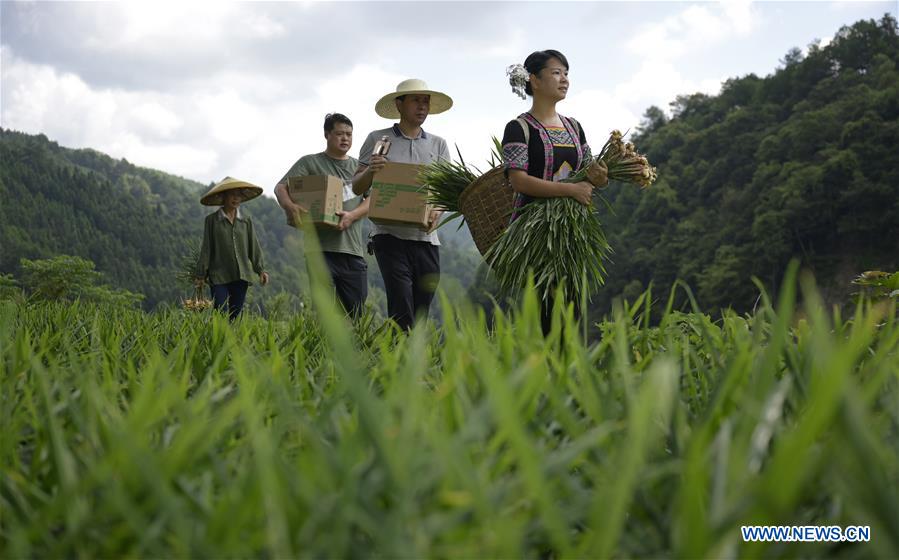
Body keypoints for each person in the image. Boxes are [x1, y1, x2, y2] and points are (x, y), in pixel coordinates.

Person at [501, 50, 609, 333]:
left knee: (571, 313)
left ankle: (568, 373)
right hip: (534, 235)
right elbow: (518, 181)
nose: (565, 80)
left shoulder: (574, 127)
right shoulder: (519, 128)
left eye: (566, 73)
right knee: (543, 313)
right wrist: (570, 190)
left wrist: (600, 177)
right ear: (534, 80)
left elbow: (589, 174)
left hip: (573, 234)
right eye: (556, 72)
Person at [351, 79, 453, 331]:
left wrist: (437, 211)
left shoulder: (438, 144)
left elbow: (445, 191)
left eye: (426, 101)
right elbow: (357, 187)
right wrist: (371, 171)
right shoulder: (378, 139)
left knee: (421, 310)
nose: (422, 107)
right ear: (399, 104)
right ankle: (397, 362)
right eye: (416, 101)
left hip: (427, 239)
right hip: (389, 236)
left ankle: (411, 362)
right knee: (402, 308)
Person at [274, 113, 370, 317]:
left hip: (352, 251)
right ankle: (323, 349)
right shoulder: (310, 163)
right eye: (339, 133)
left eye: (349, 134)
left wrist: (352, 215)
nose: (345, 138)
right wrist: (289, 206)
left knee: (357, 313)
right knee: (324, 314)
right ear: (327, 135)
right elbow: (281, 187)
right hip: (318, 250)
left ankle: (353, 349)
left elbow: (374, 199)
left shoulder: (359, 167)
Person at [195, 177, 269, 321]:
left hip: (241, 275)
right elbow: (206, 248)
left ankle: (232, 341)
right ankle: (218, 339)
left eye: (239, 195)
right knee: (221, 312)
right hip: (218, 275)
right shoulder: (212, 221)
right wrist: (200, 274)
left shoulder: (246, 221)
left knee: (235, 316)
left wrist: (261, 270)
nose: (236, 198)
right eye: (232, 194)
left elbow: (253, 246)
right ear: (223, 197)